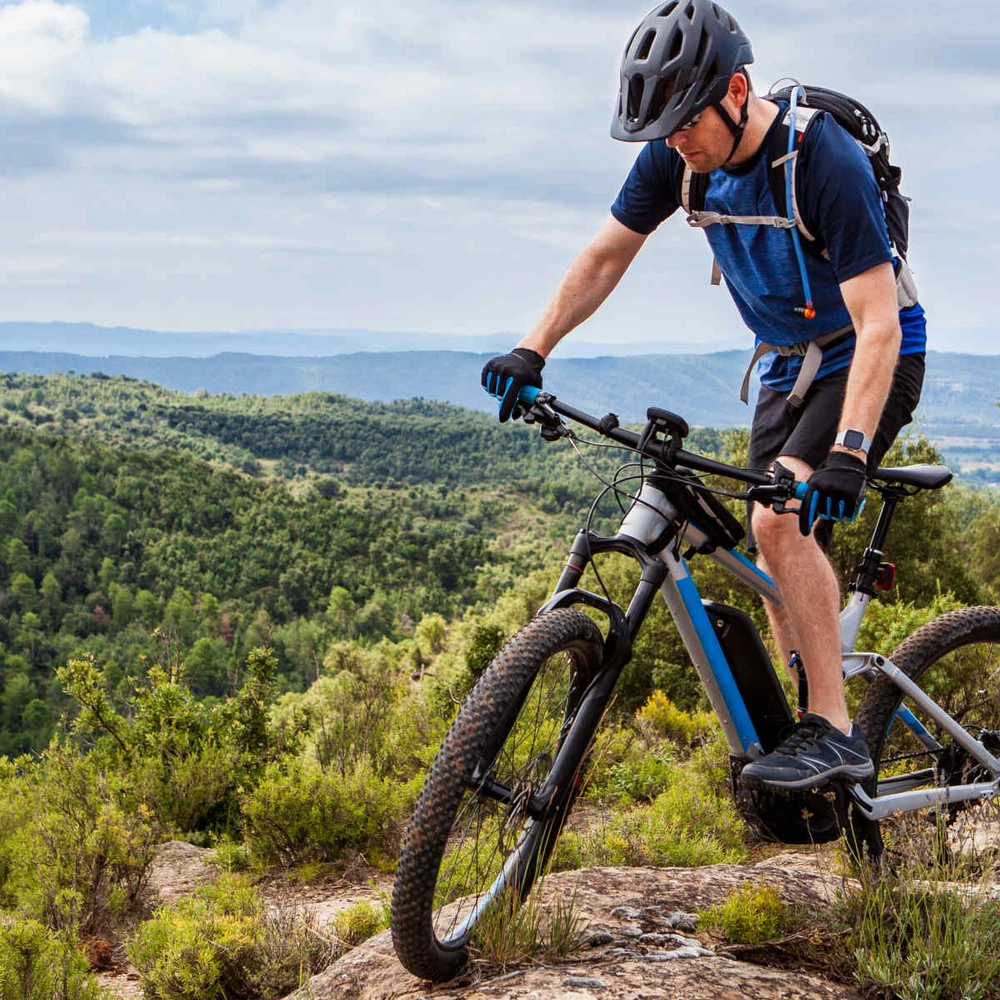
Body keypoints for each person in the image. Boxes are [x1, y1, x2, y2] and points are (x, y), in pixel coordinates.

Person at [480, 0, 925, 791]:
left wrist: (851, 454)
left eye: (686, 120)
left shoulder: (821, 160)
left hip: (869, 353)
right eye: (663, 129)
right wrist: (533, 347)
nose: (676, 140)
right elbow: (604, 258)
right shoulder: (677, 159)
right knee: (771, 542)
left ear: (736, 88)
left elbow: (879, 322)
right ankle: (806, 736)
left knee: (776, 517)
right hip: (789, 361)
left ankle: (836, 729)